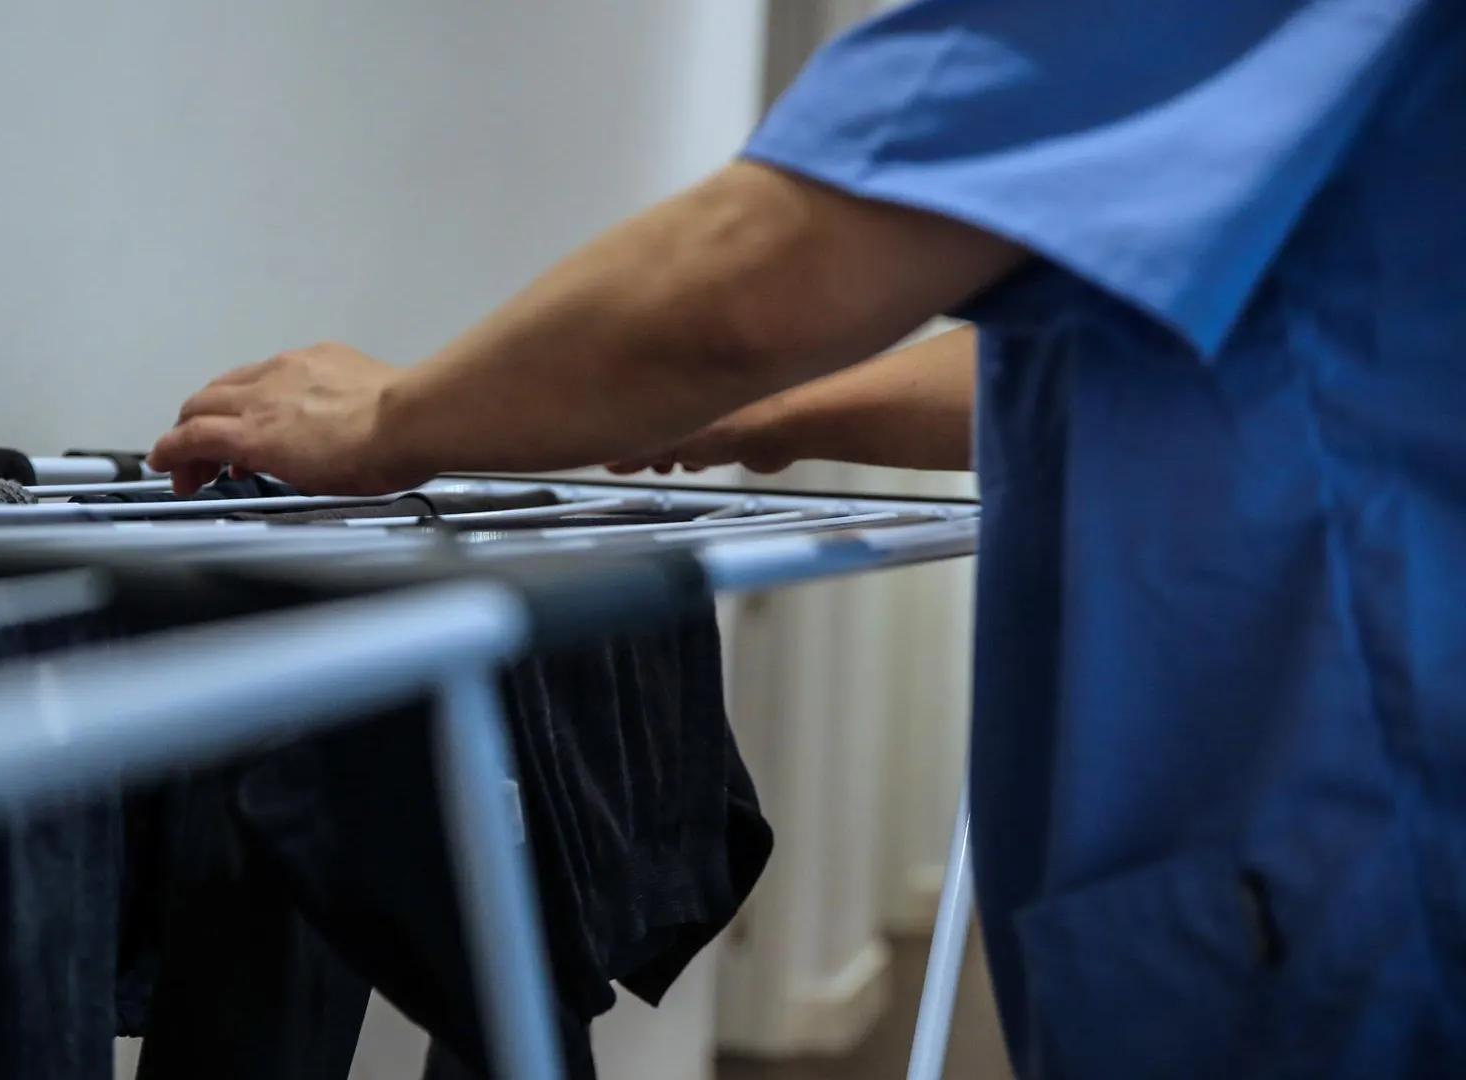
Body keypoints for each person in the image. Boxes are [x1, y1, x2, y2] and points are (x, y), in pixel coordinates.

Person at [149, 1, 1466, 1075]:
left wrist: (391, 417)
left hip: (1352, 847)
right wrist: (767, 416)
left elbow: (764, 271)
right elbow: (1067, 342)